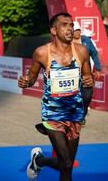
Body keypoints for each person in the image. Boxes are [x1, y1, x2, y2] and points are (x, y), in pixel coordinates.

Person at [18, 12, 94, 181]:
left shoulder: (82, 51)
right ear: (53, 30)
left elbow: (88, 80)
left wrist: (90, 80)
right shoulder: (42, 53)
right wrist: (26, 81)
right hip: (52, 113)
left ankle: (39, 160)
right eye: (64, 25)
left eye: (71, 25)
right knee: (66, 164)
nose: (69, 28)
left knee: (65, 166)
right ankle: (41, 160)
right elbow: (31, 77)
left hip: (75, 113)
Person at [73, 21, 101, 123]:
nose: (77, 33)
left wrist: (97, 68)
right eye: (75, 31)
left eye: (78, 30)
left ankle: (82, 115)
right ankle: (76, 117)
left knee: (87, 96)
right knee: (74, 96)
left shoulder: (86, 40)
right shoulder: (67, 42)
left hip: (86, 74)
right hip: (72, 74)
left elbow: (94, 54)